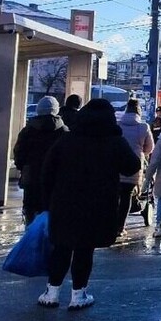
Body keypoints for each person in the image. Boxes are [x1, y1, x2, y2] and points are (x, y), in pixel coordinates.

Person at [37, 98, 141, 309]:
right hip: (97, 206)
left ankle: (52, 292)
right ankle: (78, 295)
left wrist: (47, 202)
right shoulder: (113, 141)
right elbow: (132, 166)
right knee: (85, 249)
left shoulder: (67, 139)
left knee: (62, 247)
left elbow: (47, 171)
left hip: (64, 203)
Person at [13, 96, 68, 225]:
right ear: (56, 110)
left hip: (31, 175)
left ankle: (30, 233)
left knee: (31, 208)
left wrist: (23, 167)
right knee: (51, 208)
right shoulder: (64, 131)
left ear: (38, 110)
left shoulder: (28, 130)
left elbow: (19, 152)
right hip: (55, 177)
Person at [117, 99, 154, 234]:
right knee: (127, 195)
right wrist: (142, 153)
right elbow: (149, 148)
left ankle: (112, 223)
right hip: (134, 164)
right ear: (139, 111)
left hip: (116, 163)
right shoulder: (143, 127)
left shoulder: (118, 125)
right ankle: (121, 227)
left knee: (115, 194)